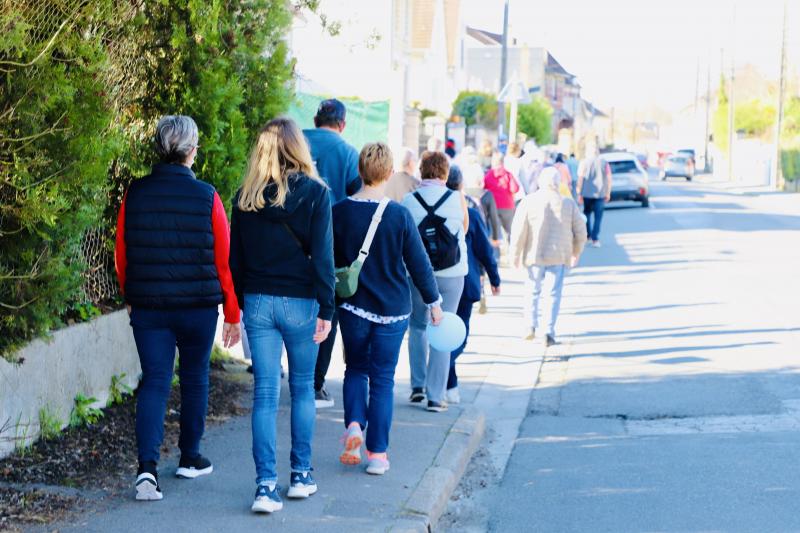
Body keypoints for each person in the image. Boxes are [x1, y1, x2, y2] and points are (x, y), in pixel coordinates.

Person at [115, 115, 241, 501]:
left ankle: (146, 472)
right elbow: (224, 259)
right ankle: (190, 457)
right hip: (197, 308)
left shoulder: (134, 193)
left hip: (149, 308)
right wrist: (233, 313)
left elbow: (122, 254)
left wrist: (131, 295)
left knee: (154, 380)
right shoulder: (208, 196)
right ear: (191, 151)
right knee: (194, 377)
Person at [230, 117, 335, 514]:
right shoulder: (316, 195)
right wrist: (327, 307)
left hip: (257, 301)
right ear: (298, 148)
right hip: (303, 303)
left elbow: (234, 260)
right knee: (303, 388)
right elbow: (323, 258)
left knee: (265, 395)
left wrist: (239, 305)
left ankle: (265, 487)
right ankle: (302, 476)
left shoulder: (245, 196)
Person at [333, 143, 443, 475]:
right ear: (390, 172)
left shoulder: (338, 212)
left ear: (360, 170)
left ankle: (354, 424)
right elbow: (419, 263)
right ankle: (378, 455)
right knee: (382, 379)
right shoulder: (398, 214)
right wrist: (434, 303)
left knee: (355, 369)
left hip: (353, 307)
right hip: (394, 310)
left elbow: (327, 261)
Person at [303, 98, 361, 408]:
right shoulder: (349, 152)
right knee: (328, 313)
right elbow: (355, 198)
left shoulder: (295, 141)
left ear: (316, 119)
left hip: (293, 241)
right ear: (342, 124)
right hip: (333, 245)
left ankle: (296, 375)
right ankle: (315, 383)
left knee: (295, 309)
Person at [401, 151, 468, 412]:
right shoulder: (457, 198)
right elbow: (465, 228)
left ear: (422, 171)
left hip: (418, 274)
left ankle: (417, 388)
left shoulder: (408, 200)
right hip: (452, 274)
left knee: (417, 326)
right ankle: (435, 396)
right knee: (444, 327)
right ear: (444, 174)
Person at [510, 167, 587, 347]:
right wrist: (577, 251)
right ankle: (548, 332)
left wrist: (514, 255)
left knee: (532, 291)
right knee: (553, 294)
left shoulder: (528, 201)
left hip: (534, 254)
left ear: (540, 182)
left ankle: (530, 326)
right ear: (558, 182)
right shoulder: (568, 204)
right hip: (558, 255)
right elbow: (581, 231)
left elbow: (518, 231)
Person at [445, 167, 500, 404]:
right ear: (461, 186)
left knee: (444, 335)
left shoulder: (430, 211)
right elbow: (485, 252)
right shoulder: (469, 214)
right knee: (459, 336)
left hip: (434, 282)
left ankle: (447, 382)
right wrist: (495, 279)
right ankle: (446, 378)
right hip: (465, 282)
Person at [576, 146, 612, 247]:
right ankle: (595, 239)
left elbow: (580, 178)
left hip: (587, 193)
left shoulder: (584, 162)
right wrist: (608, 192)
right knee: (598, 217)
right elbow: (609, 178)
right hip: (600, 193)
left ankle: (588, 235)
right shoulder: (604, 163)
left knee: (586, 214)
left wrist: (579, 192)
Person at [483, 150, 519, 240]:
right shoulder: (508, 174)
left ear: (493, 161)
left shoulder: (488, 175)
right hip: (508, 206)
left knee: (494, 232)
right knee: (510, 231)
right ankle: (511, 250)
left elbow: (483, 189)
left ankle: (496, 251)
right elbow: (515, 189)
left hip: (493, 207)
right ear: (503, 161)